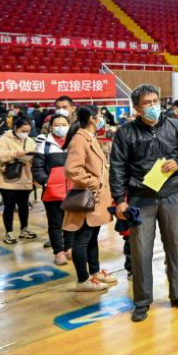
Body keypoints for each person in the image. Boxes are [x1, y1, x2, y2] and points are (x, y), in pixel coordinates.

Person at [110, 84, 178, 322]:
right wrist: (119, 200)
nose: (153, 106)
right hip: (140, 199)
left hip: (173, 195)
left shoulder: (175, 126)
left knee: (176, 247)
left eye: (155, 101)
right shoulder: (125, 133)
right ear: (137, 108)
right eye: (147, 103)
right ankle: (142, 301)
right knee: (141, 252)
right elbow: (117, 168)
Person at [62, 105, 116, 292]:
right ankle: (83, 279)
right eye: (100, 116)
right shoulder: (80, 139)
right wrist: (95, 183)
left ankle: (94, 272)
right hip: (88, 197)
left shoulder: (89, 137)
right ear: (93, 119)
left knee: (92, 236)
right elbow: (72, 169)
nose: (103, 119)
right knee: (82, 238)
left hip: (96, 198)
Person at [32, 114, 73, 265]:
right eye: (57, 125)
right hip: (52, 192)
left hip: (72, 190)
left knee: (70, 221)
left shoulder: (73, 142)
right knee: (55, 223)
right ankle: (58, 252)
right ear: (51, 126)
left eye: (63, 124)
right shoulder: (44, 144)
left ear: (69, 125)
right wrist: (46, 182)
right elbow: (37, 167)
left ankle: (69, 248)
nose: (60, 128)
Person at [0, 117, 38, 244]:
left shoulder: (30, 141)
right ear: (16, 128)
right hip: (8, 179)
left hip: (25, 177)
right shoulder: (4, 139)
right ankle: (9, 232)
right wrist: (16, 153)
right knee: (9, 206)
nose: (25, 133)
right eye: (23, 130)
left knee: (24, 205)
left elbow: (35, 156)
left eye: (28, 131)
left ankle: (24, 229)